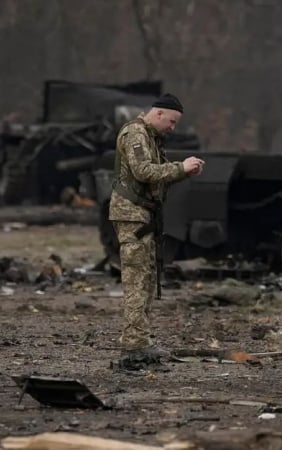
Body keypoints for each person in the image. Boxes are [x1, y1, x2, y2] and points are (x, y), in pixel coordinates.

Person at [108, 93, 204, 359]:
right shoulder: (136, 134)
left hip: (143, 216)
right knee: (137, 279)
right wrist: (180, 167)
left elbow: (155, 179)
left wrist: (183, 172)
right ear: (158, 113)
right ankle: (135, 343)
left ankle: (140, 339)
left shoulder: (150, 136)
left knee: (147, 279)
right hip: (132, 216)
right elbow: (144, 172)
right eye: (171, 121)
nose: (172, 128)